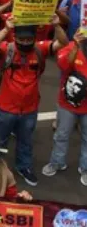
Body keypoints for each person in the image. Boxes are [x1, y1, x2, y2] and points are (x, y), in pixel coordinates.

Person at [0, 17, 69, 186]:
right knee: (0, 140)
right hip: (6, 107)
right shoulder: (7, 49)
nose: (25, 42)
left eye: (29, 39)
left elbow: (63, 43)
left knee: (26, 141)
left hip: (29, 109)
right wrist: (5, 30)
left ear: (34, 38)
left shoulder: (40, 49)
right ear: (15, 38)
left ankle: (24, 167)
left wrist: (56, 25)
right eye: (21, 39)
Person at [42, 32, 87, 186]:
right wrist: (75, 46)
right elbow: (63, 65)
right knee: (61, 135)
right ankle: (57, 162)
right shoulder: (70, 47)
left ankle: (85, 168)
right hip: (67, 105)